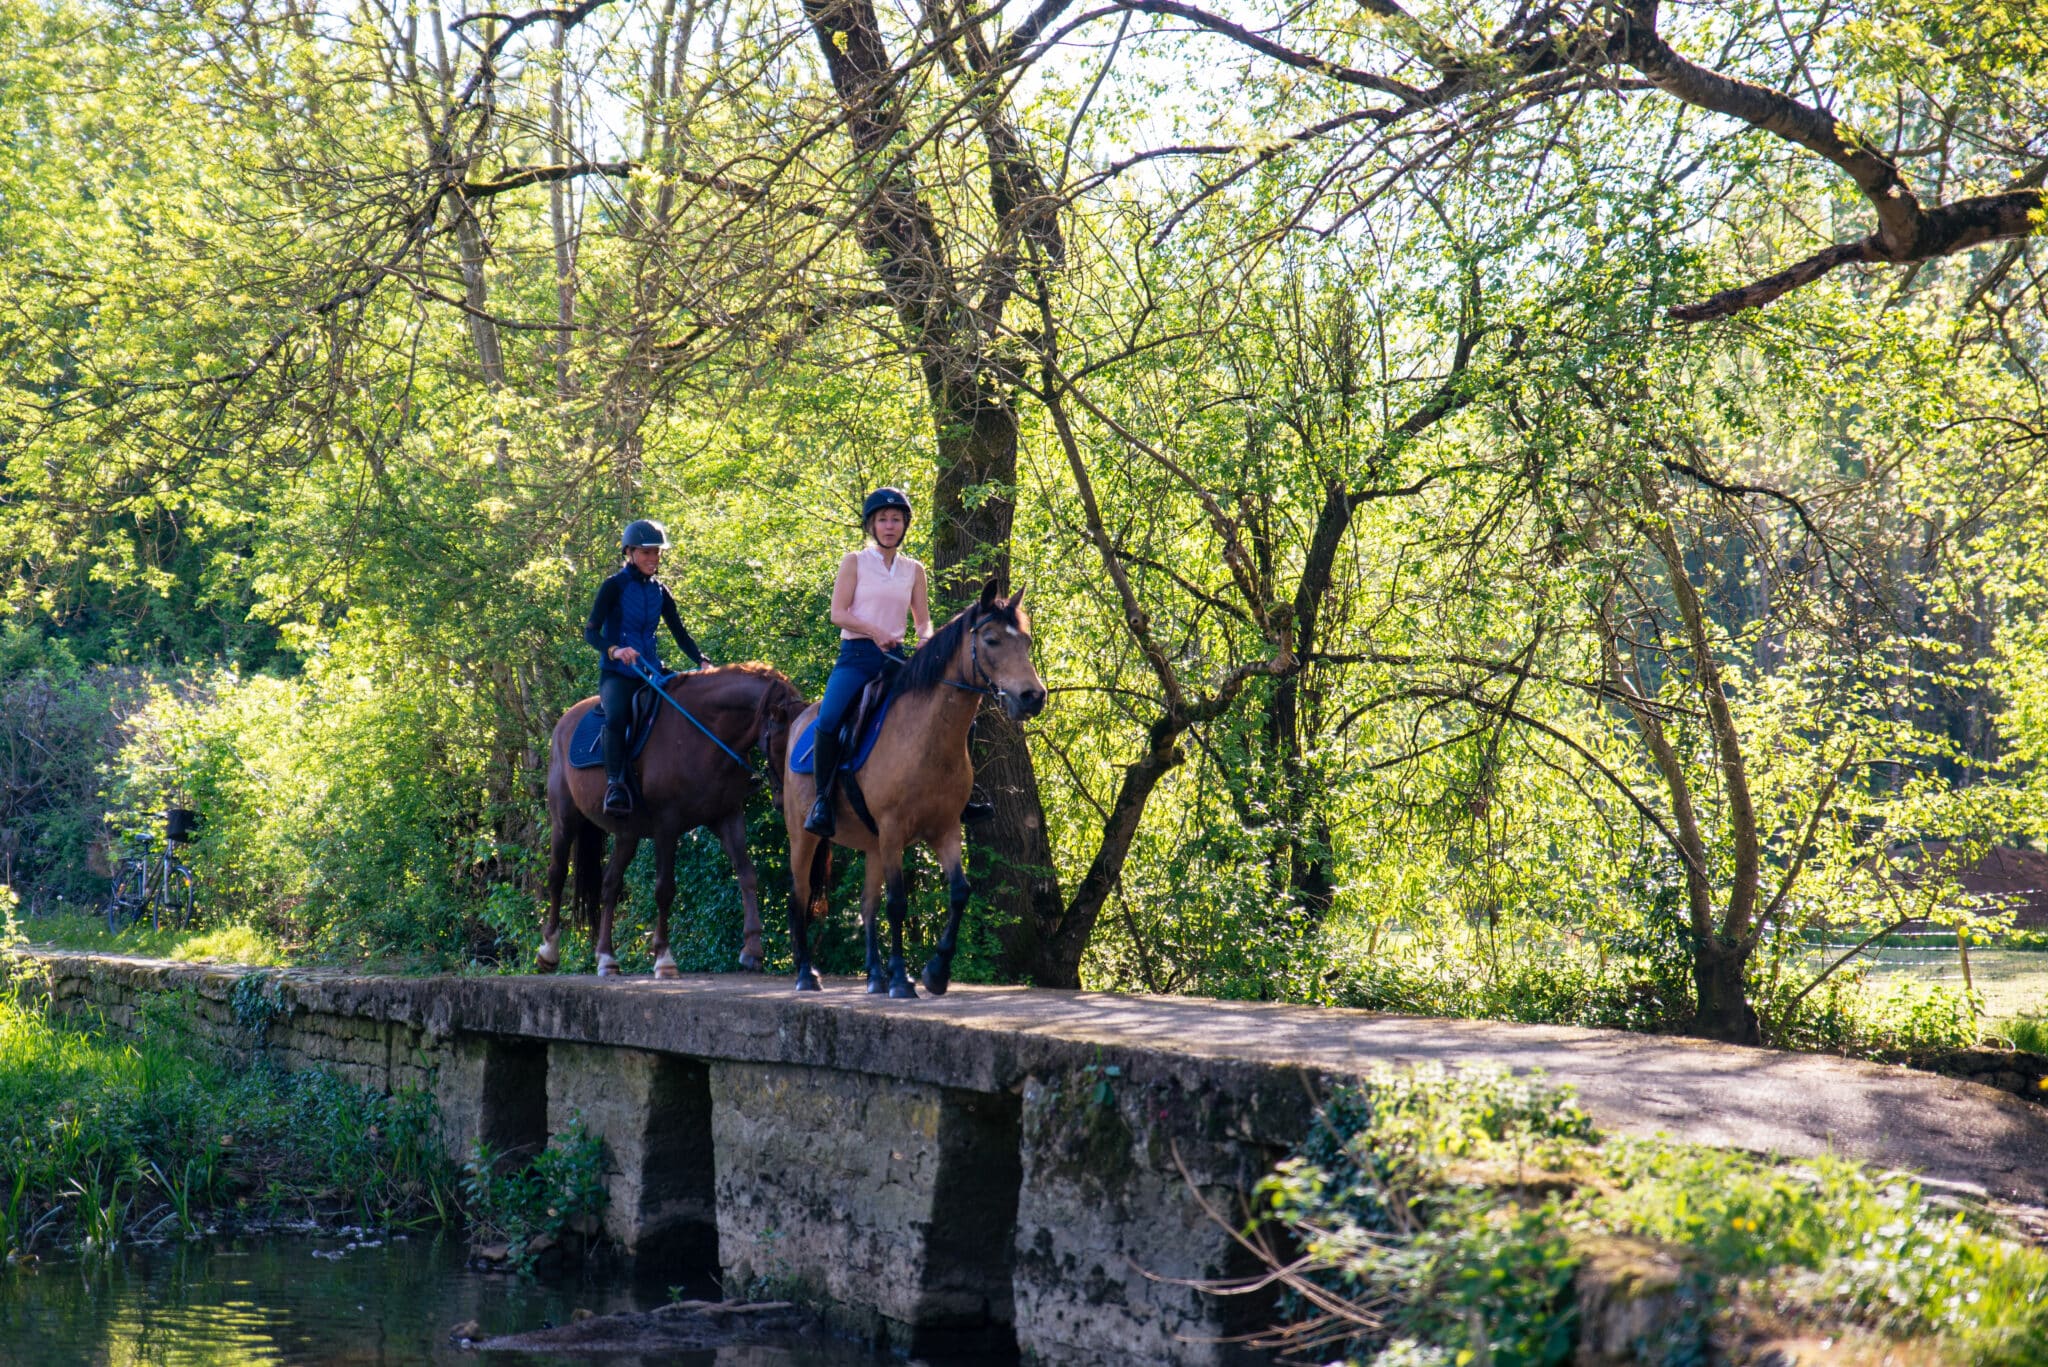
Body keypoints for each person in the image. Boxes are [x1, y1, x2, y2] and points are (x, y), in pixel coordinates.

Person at [804, 488, 932, 837]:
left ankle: (958, 795)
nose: (890, 526)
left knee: (942, 707)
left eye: (896, 519)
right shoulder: (854, 562)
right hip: (857, 657)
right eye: (883, 520)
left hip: (896, 660)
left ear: (905, 525)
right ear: (871, 525)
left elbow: (923, 620)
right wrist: (875, 631)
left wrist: (924, 638)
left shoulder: (913, 570)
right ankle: (822, 801)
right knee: (829, 719)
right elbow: (838, 613)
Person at [584, 519, 706, 815]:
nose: (653, 559)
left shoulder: (661, 591)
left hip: (651, 671)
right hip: (618, 674)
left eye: (657, 553)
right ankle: (614, 784)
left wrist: (701, 660)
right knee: (617, 717)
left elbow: (680, 633)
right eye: (646, 553)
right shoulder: (612, 587)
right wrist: (614, 650)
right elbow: (590, 632)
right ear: (630, 552)